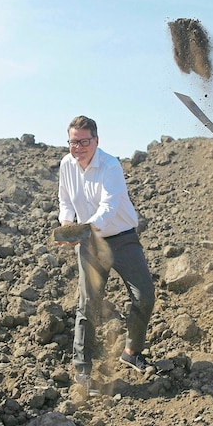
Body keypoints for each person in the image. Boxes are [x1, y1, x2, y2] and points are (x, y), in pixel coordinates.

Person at [56, 115, 156, 391]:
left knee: (144, 296)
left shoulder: (110, 165)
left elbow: (109, 207)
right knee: (88, 304)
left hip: (122, 239)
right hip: (89, 244)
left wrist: (84, 229)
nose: (78, 148)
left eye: (84, 142)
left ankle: (131, 352)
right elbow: (65, 199)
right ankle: (82, 369)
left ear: (96, 141)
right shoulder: (67, 164)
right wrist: (67, 224)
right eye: (73, 142)